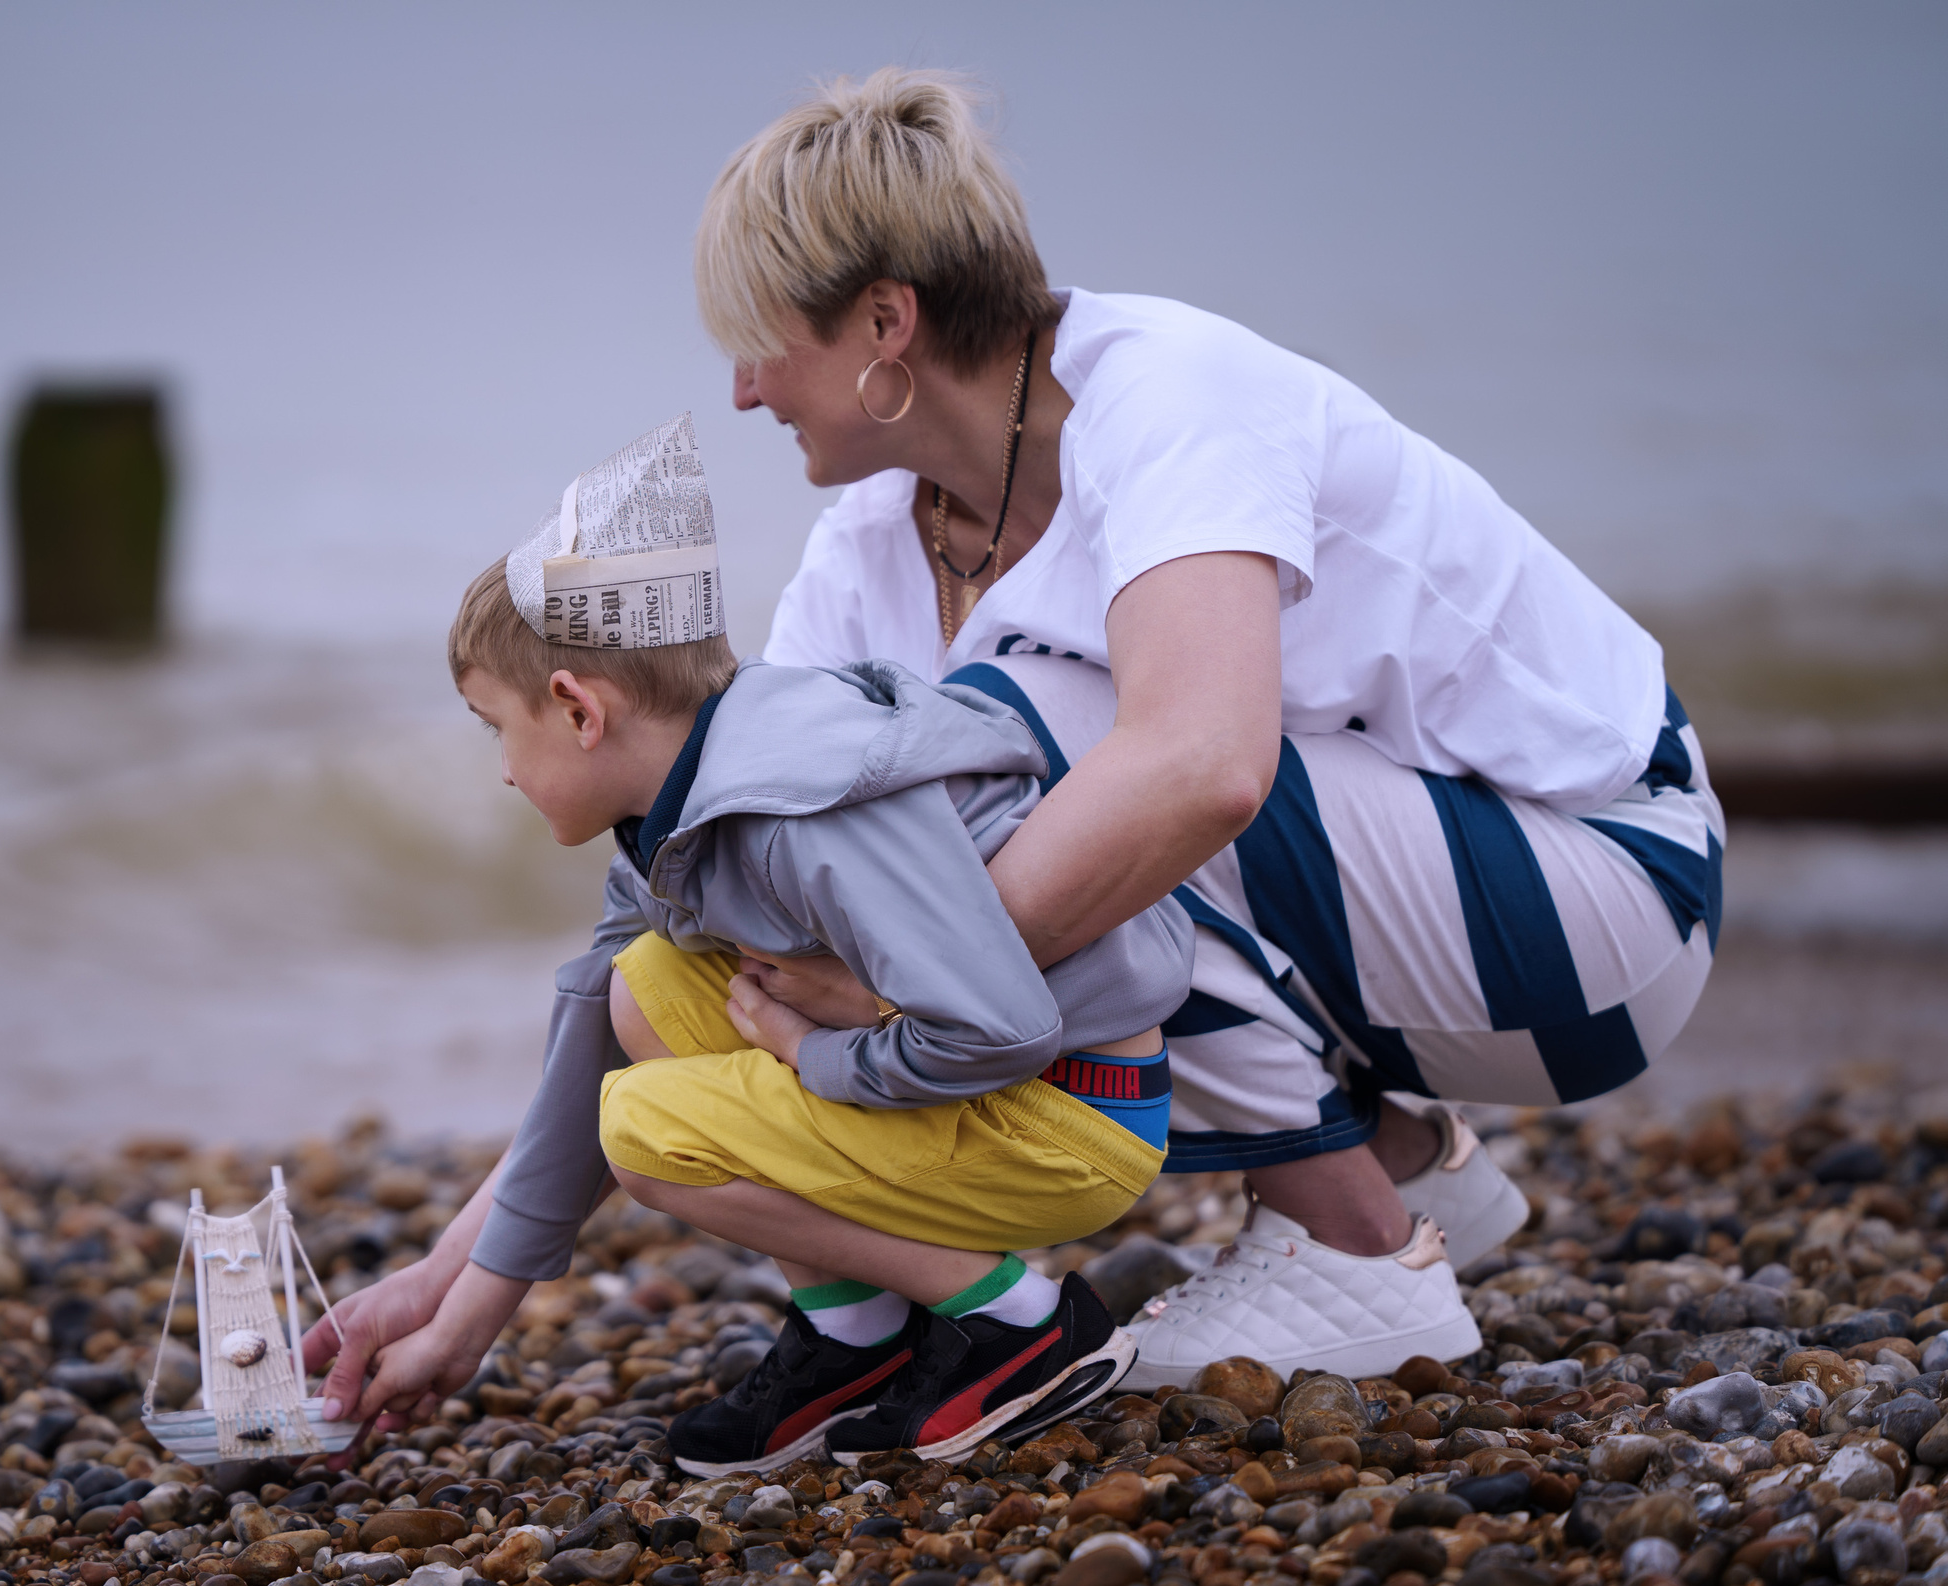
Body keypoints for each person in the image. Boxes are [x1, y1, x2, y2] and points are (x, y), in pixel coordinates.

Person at [694, 70, 1725, 1387]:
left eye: (763, 337)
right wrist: (469, 1274)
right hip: (1430, 953)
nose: (740, 390)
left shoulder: (1169, 396)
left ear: (886, 322)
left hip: (1607, 899)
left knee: (1019, 743)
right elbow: (758, 833)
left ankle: (1351, 1247)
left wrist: (905, 992)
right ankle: (1404, 1171)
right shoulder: (875, 540)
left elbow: (1204, 765)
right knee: (869, 806)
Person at [304, 415, 1195, 1473]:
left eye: (492, 725)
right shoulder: (671, 818)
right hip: (987, 1086)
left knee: (647, 1131)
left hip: (1066, 1111)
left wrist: (800, 1047)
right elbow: (583, 1052)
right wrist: (453, 1302)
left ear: (576, 708)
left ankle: (1017, 1325)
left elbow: (1002, 1028)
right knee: (642, 998)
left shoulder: (798, 809)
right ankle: (856, 1337)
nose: (499, 766)